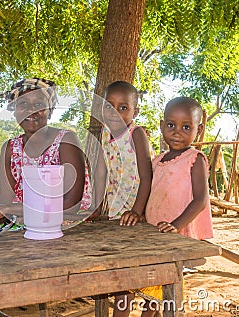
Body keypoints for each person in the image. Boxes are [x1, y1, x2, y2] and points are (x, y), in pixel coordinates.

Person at [0, 78, 91, 234]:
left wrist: (7, 209)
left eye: (39, 105)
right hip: (24, 224)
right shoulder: (10, 149)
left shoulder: (66, 141)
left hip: (66, 225)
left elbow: (71, 206)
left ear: (50, 110)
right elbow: (6, 203)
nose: (31, 110)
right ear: (14, 110)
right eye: (23, 104)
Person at [140, 97, 214, 316]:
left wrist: (176, 225)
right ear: (162, 126)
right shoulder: (157, 160)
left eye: (186, 127)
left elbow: (200, 200)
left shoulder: (195, 159)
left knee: (160, 289)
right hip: (156, 232)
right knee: (155, 286)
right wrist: (140, 215)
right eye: (171, 125)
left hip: (176, 234)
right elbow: (153, 193)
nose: (177, 132)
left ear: (198, 130)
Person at [87, 81, 153, 317]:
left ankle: (150, 309)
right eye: (109, 106)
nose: (114, 113)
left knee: (143, 271)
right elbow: (104, 172)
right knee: (122, 271)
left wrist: (137, 211)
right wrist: (95, 208)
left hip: (142, 213)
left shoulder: (137, 135)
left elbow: (147, 177)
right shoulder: (105, 134)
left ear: (135, 112)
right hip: (118, 213)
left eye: (123, 107)